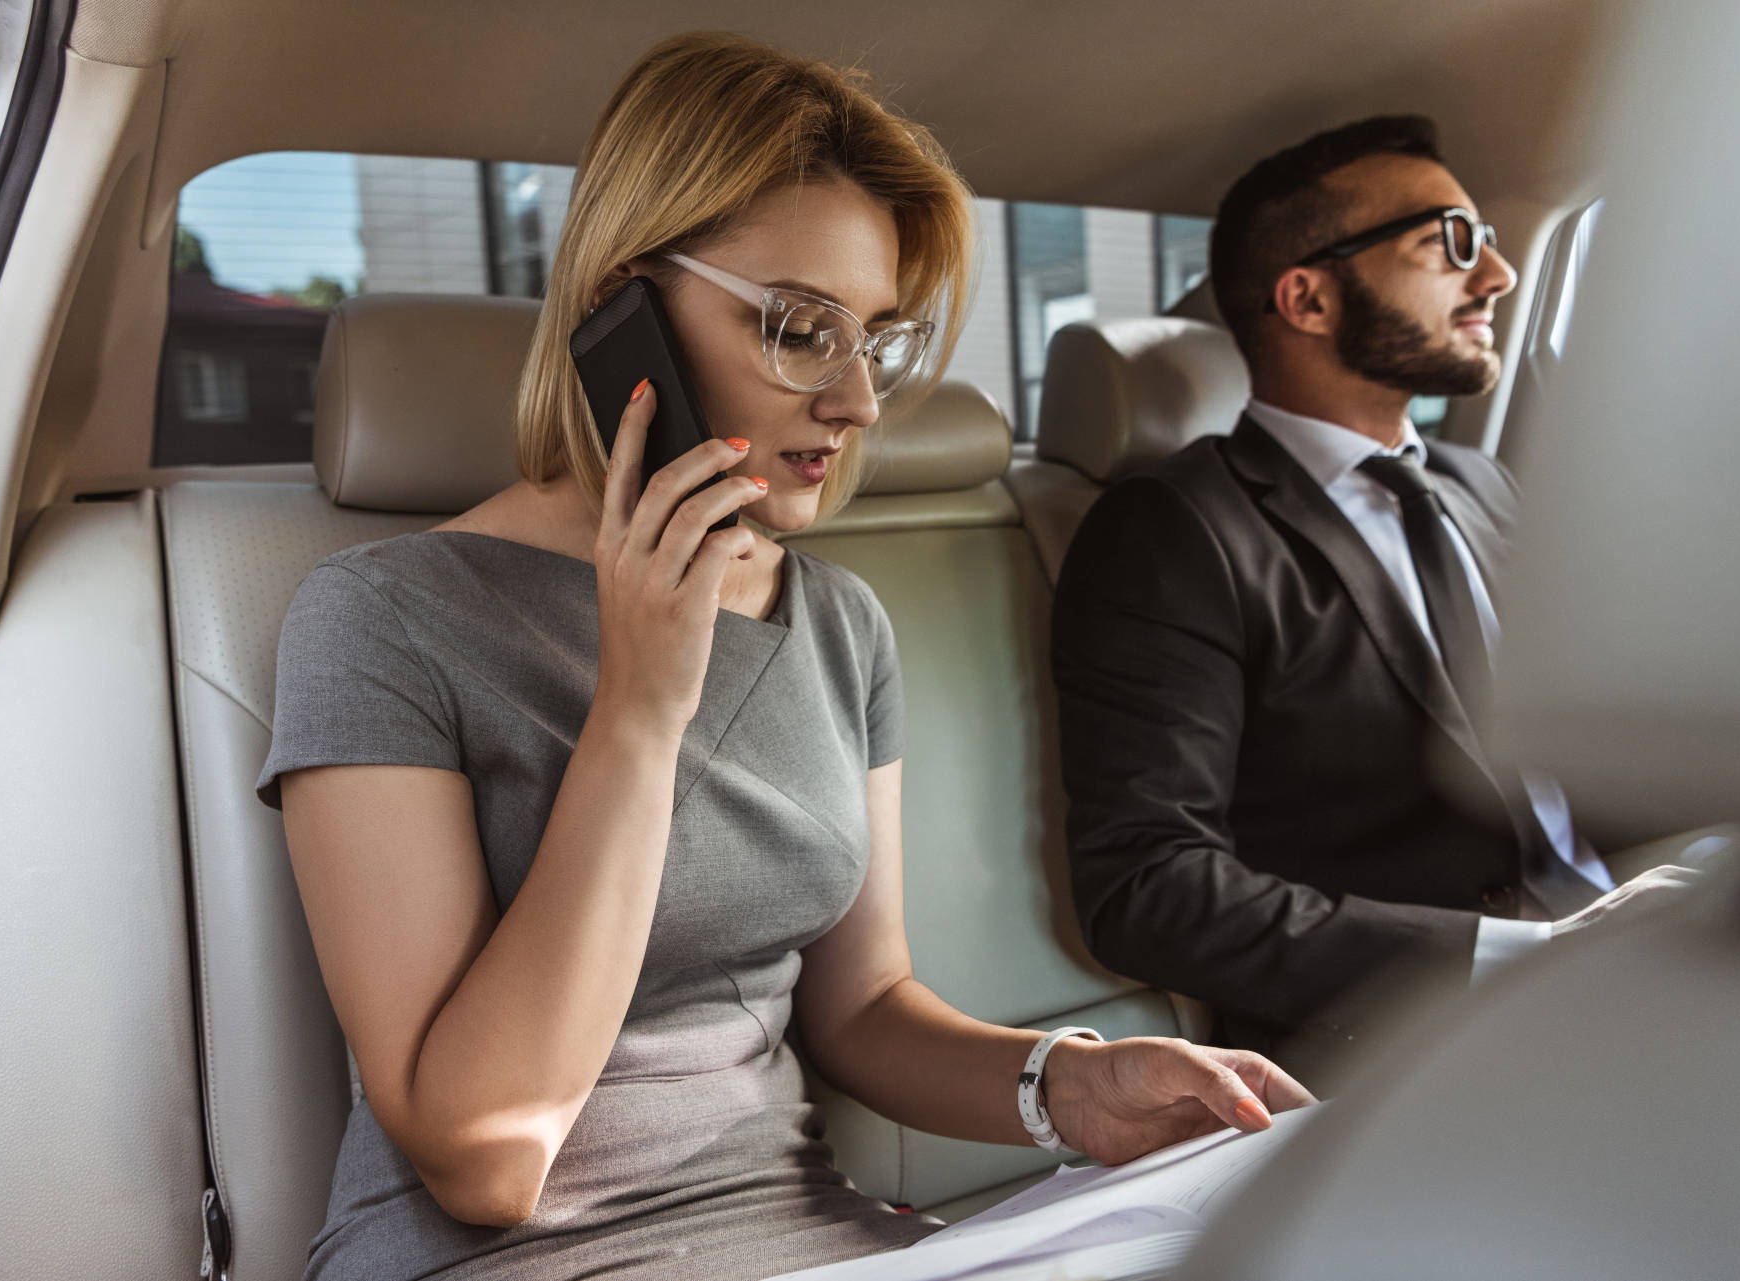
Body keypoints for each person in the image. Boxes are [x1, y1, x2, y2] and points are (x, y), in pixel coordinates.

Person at [255, 33, 1311, 1281]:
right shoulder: (384, 616)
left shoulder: (840, 621)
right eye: (803, 330)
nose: (859, 401)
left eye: (876, 338)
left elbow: (863, 1008)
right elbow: (483, 1159)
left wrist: (1068, 1087)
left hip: (814, 1240)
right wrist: (643, 708)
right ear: (624, 311)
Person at [1051, 115, 1694, 1071]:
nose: (1498, 278)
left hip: (1644, 959)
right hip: (1429, 1037)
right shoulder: (1176, 530)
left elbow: (1587, 748)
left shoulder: (1482, 484)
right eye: (1453, 243)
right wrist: (1522, 962)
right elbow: (1150, 885)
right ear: (1307, 297)